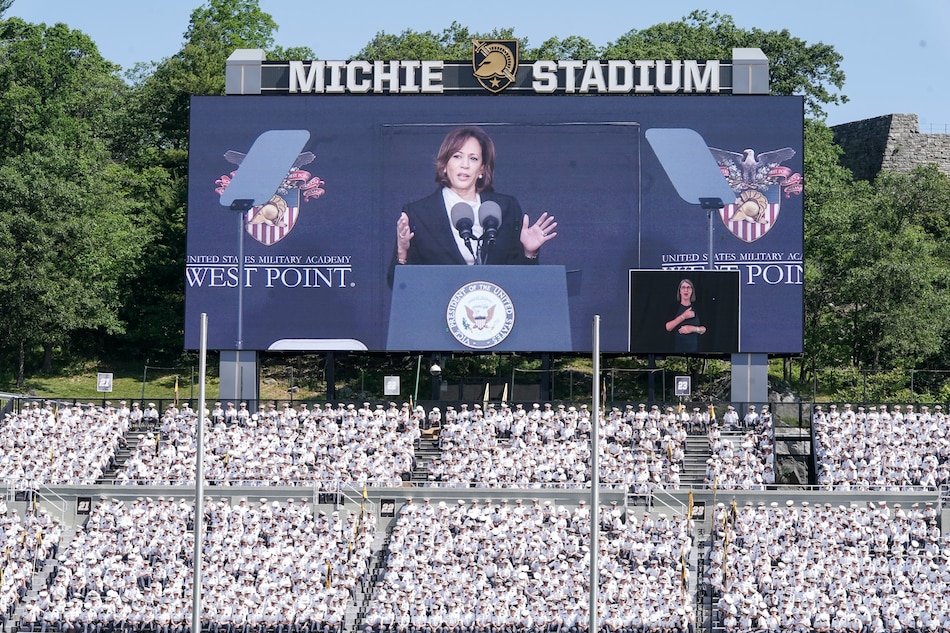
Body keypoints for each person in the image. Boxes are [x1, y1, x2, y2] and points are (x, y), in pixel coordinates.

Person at [388, 126, 557, 284]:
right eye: (457, 156)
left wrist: (529, 253)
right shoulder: (418, 214)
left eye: (473, 158)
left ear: (482, 169)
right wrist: (402, 253)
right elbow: (397, 284)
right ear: (445, 165)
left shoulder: (505, 208)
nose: (465, 165)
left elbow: (522, 281)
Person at [665, 278, 706, 353]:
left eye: (688, 287)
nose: (686, 290)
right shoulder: (673, 307)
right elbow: (668, 327)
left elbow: (704, 329)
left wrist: (692, 329)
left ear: (692, 291)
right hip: (675, 350)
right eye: (683, 287)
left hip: (695, 350)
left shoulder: (698, 308)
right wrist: (683, 316)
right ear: (680, 291)